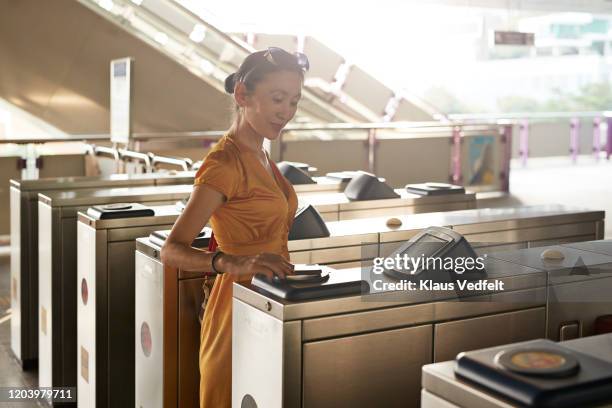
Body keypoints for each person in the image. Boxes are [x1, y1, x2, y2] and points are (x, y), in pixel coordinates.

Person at [160, 47, 309, 407]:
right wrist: (232, 262)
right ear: (243, 95)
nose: (286, 112)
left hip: (269, 302)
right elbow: (171, 250)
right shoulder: (224, 163)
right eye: (277, 99)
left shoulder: (261, 154)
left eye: (294, 101)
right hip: (235, 309)